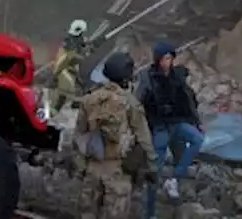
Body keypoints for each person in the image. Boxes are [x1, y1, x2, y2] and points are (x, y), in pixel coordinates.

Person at [76, 52, 156, 219]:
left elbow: (79, 135)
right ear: (126, 77)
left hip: (93, 168)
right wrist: (152, 167)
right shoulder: (131, 103)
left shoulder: (89, 99)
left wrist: (81, 167)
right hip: (118, 171)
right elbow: (144, 139)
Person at [136, 41, 204, 216]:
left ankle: (174, 179)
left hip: (177, 123)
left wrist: (195, 121)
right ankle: (150, 213)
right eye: (164, 58)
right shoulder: (148, 77)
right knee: (154, 171)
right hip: (159, 126)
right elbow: (139, 103)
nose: (167, 62)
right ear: (158, 60)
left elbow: (189, 100)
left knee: (197, 139)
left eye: (170, 58)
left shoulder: (177, 76)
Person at [52, 19, 93, 111]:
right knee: (69, 87)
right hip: (66, 66)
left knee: (78, 86)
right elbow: (72, 57)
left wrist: (89, 44)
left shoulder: (77, 39)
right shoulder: (68, 42)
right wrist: (87, 53)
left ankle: (74, 104)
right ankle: (57, 107)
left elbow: (84, 42)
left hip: (71, 66)